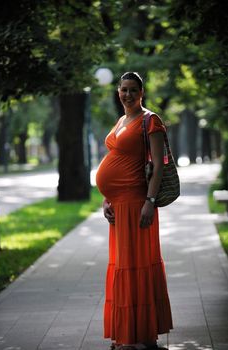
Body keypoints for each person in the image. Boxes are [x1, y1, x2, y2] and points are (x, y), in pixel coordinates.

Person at [96, 72, 173, 350]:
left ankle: (142, 336)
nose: (127, 94)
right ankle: (128, 335)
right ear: (118, 92)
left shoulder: (150, 120)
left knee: (137, 266)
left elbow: (160, 164)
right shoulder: (121, 120)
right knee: (123, 267)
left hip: (138, 205)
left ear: (142, 92)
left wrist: (150, 202)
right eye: (123, 89)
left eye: (132, 90)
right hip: (118, 208)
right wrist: (107, 200)